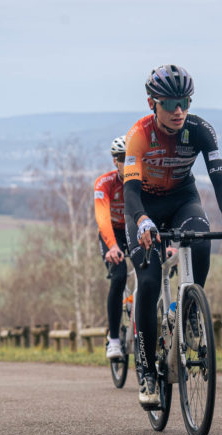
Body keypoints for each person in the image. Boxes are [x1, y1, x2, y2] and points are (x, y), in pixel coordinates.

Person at [123, 64, 222, 405]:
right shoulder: (139, 134)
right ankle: (147, 372)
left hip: (182, 200)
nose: (179, 111)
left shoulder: (201, 130)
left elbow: (220, 180)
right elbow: (130, 192)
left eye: (185, 102)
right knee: (148, 282)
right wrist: (144, 221)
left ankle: (191, 310)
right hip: (143, 207)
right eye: (171, 103)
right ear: (153, 104)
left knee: (201, 236)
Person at [94, 136, 130, 360]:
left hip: (134, 231)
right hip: (112, 234)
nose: (127, 163)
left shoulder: (144, 181)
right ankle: (114, 340)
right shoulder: (104, 183)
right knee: (119, 276)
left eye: (131, 159)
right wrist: (113, 246)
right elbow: (102, 217)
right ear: (115, 161)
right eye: (122, 159)